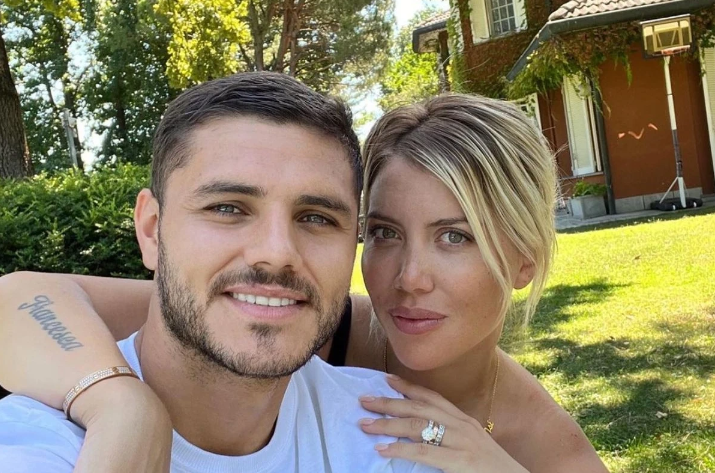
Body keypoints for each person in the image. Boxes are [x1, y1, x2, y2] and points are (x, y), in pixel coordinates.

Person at [0, 90, 609, 473]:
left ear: (525, 260)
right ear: (153, 229)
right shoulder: (333, 319)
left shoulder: (541, 438)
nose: (409, 279)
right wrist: (124, 407)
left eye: (456, 237)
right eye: (385, 232)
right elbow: (20, 298)